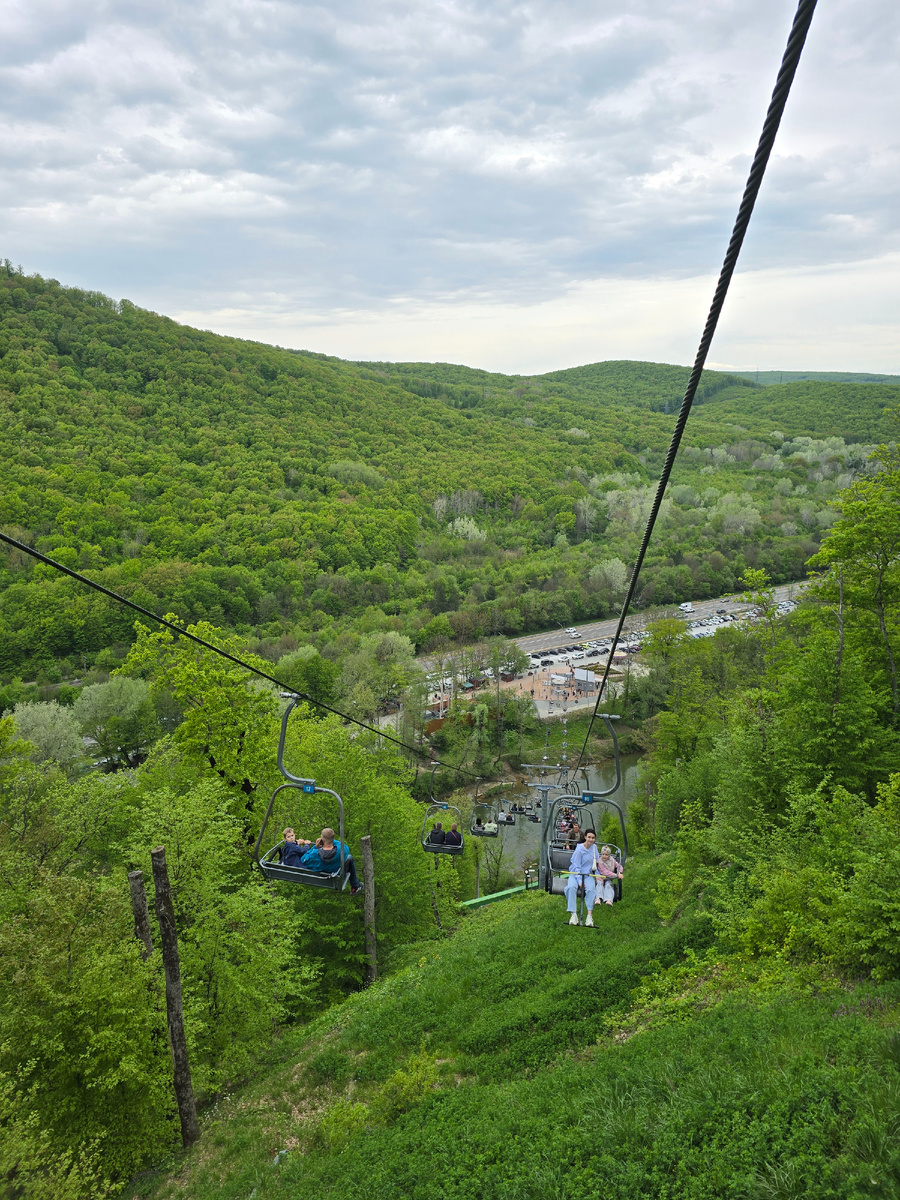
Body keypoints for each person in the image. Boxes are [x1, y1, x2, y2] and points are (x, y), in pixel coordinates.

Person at [281, 826, 363, 893]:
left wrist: (315, 847)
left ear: (322, 840)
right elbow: (338, 843)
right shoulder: (343, 850)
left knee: (311, 861)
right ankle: (355, 886)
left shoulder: (314, 855)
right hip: (337, 871)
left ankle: (355, 886)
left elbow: (303, 859)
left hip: (327, 874)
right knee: (349, 857)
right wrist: (327, 841)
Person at [565, 830, 602, 927]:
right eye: (589, 837)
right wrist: (579, 881)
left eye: (593, 838)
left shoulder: (594, 848)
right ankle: (573, 914)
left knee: (591, 890)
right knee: (571, 888)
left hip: (588, 874)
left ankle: (589, 916)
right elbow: (576, 866)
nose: (591, 839)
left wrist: (598, 876)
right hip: (575, 874)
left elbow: (596, 864)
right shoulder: (579, 849)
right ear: (585, 837)